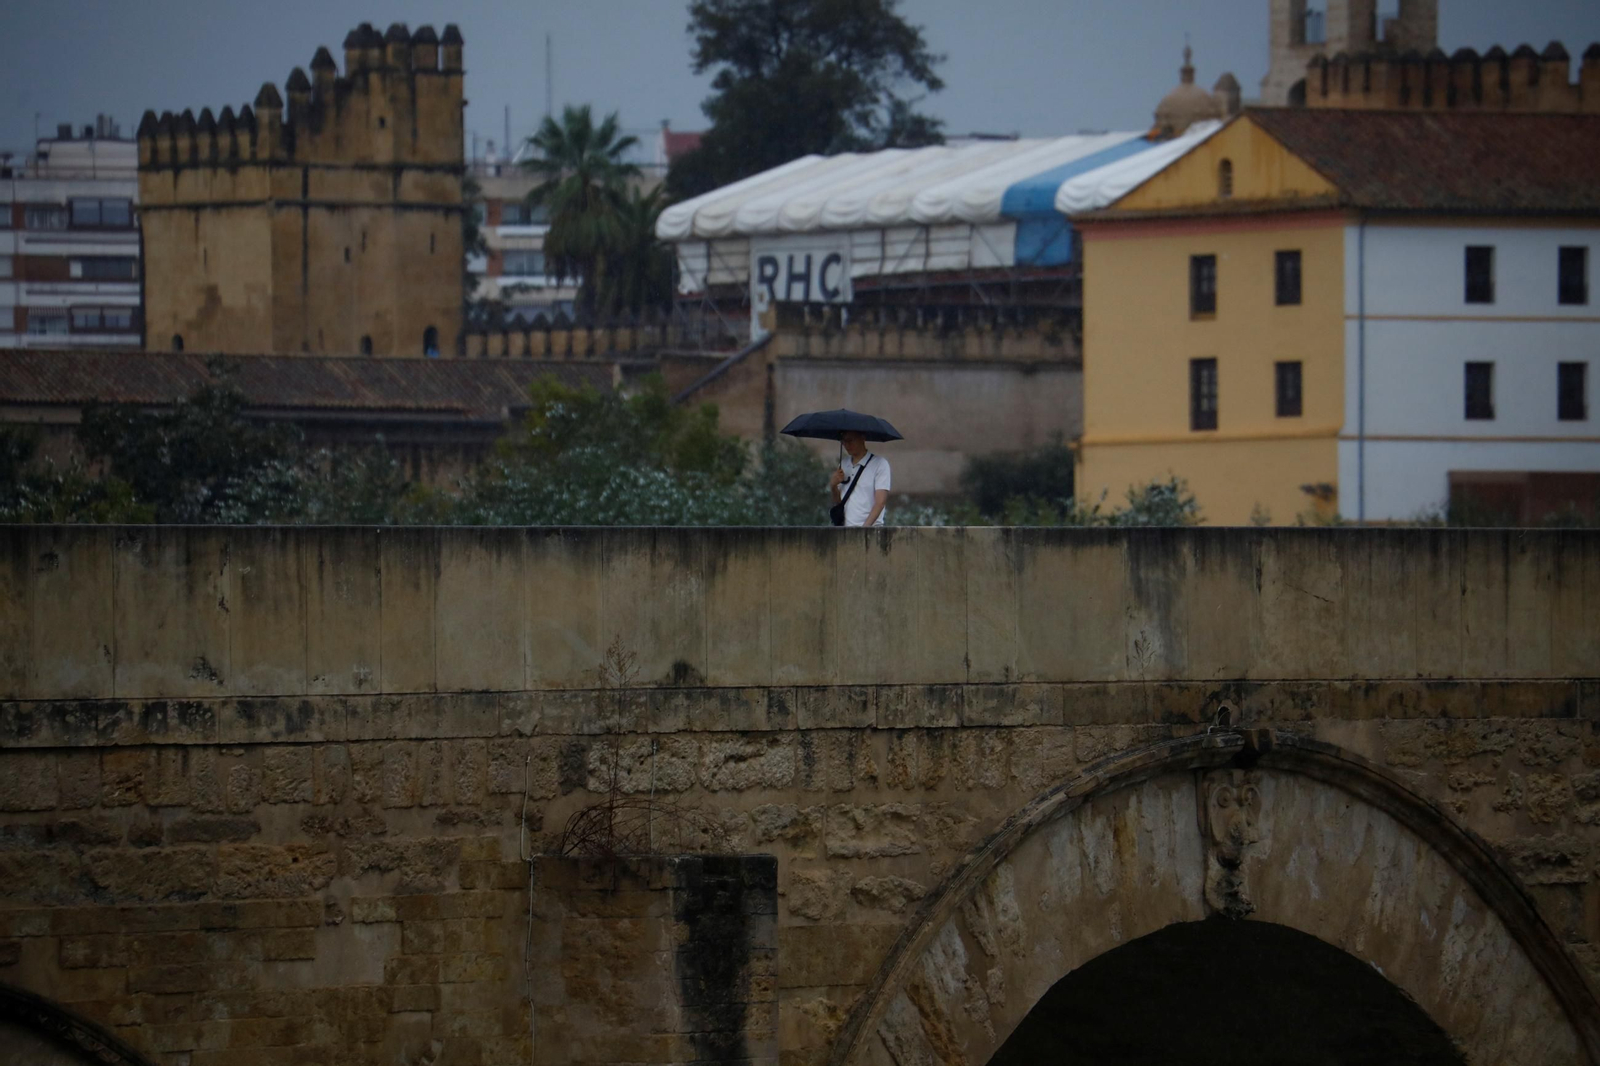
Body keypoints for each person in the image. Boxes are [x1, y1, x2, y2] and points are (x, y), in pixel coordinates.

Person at [829, 430, 891, 527]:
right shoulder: (843, 464)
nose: (847, 445)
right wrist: (833, 486)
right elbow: (838, 502)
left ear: (863, 438)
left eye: (850, 440)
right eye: (844, 442)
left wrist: (864, 529)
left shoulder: (880, 464)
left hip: (871, 528)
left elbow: (880, 502)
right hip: (845, 528)